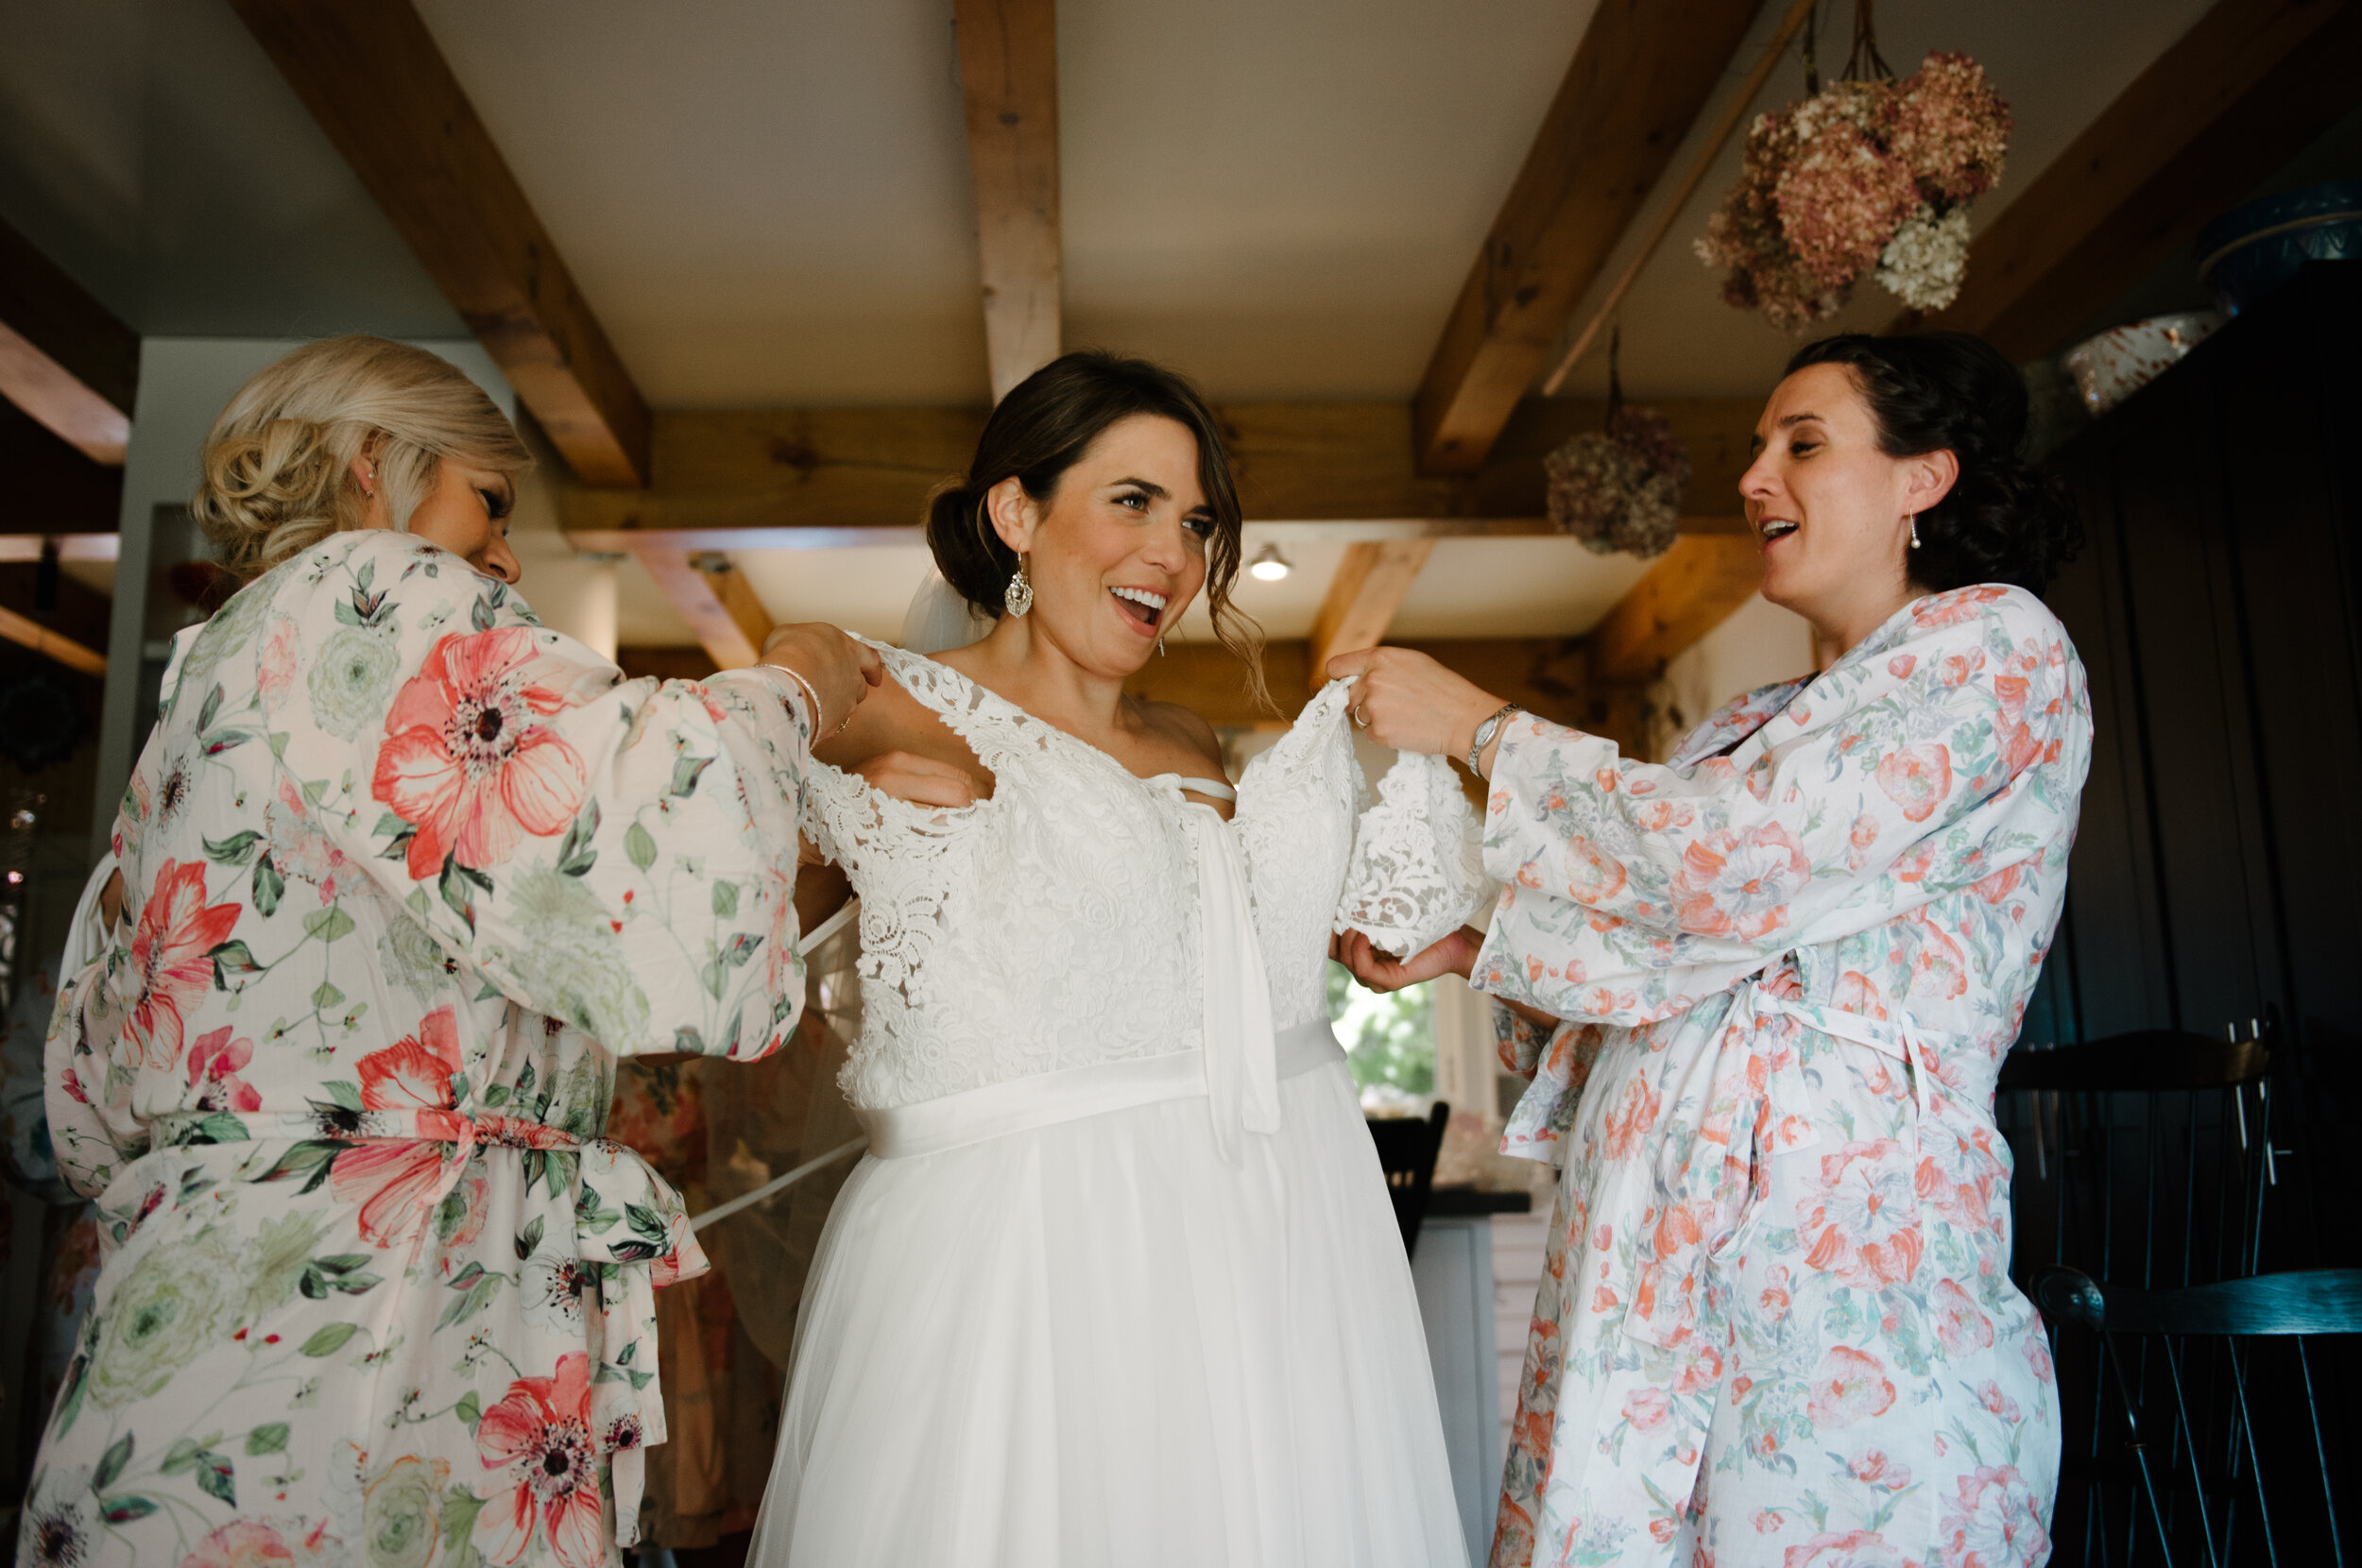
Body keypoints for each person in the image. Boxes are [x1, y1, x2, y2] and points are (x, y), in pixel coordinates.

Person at [26, 335, 878, 1568]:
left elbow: (100, 1042)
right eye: (488, 499)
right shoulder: (367, 587)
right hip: (389, 1294)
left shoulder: (211, 671)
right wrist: (791, 681)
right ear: (374, 465)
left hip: (215, 1272)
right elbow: (611, 801)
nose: (504, 553)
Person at [1331, 332, 2090, 1566]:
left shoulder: (1996, 651)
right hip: (1648, 1270)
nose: (1752, 478)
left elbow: (1740, 860)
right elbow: (1661, 953)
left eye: (1802, 443)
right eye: (1753, 448)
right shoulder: (1745, 726)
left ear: (1924, 479)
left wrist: (1483, 727)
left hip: (1839, 1258)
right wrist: (1469, 948)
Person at [749, 350, 1477, 1567]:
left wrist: (1369, 935)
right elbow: (803, 702)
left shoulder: (1189, 737)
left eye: (1196, 522)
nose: (1175, 556)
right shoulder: (909, 710)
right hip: (1033, 1259)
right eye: (1131, 500)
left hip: (1276, 1225)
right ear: (1016, 514)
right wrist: (796, 664)